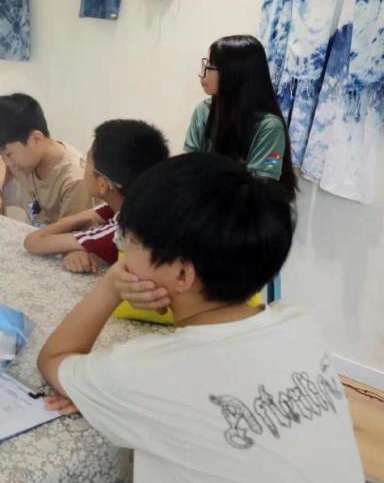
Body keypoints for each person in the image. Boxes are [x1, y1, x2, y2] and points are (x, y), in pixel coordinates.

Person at [36, 153, 364, 483]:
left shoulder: (148, 370)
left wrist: (110, 285)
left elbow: (52, 359)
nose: (122, 254)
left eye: (129, 242)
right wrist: (109, 393)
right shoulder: (300, 325)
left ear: (181, 274)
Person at [24, 120, 168, 273]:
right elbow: (83, 219)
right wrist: (77, 242)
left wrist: (77, 241)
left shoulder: (123, 231)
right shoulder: (138, 203)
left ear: (102, 184)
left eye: (86, 162)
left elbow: (33, 241)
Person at [186, 35, 297, 195]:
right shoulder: (203, 110)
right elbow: (189, 165)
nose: (201, 73)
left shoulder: (270, 128)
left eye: (210, 66)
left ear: (234, 73)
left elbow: (260, 189)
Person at [0, 93, 92, 224]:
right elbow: (3, 165)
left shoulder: (74, 180)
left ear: (36, 139)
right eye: (2, 155)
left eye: (8, 154)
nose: (7, 162)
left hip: (57, 235)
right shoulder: (26, 161)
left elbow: (70, 233)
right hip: (35, 226)